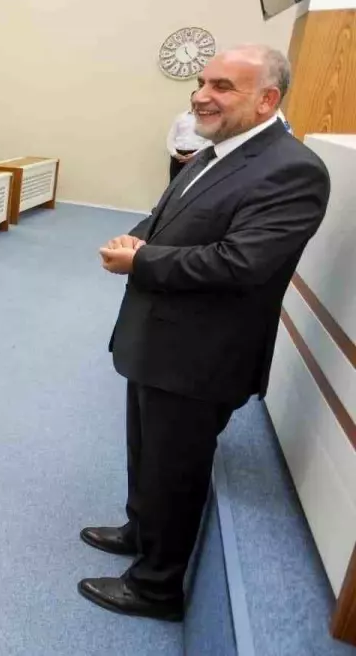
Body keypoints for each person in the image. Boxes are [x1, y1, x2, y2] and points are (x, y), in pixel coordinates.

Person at [82, 46, 330, 623]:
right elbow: (167, 215)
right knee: (147, 451)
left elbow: (239, 263)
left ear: (267, 99)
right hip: (158, 340)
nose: (201, 94)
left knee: (177, 469)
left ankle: (156, 587)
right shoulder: (216, 150)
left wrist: (140, 264)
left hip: (200, 356)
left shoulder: (292, 169)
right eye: (200, 82)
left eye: (222, 86)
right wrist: (135, 239)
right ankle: (140, 530)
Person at [165, 91, 211, 182]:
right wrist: (175, 154)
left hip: (197, 157)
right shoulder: (181, 117)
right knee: (174, 187)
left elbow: (210, 141)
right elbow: (170, 138)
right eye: (194, 100)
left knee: (194, 187)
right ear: (191, 100)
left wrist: (194, 155)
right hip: (178, 158)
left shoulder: (208, 119)